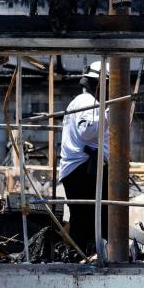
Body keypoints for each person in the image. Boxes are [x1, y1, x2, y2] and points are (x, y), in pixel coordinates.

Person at [57, 61, 109, 254]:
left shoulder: (83, 102)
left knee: (85, 218)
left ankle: (83, 256)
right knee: (95, 218)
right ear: (101, 84)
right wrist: (110, 114)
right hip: (84, 169)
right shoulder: (89, 102)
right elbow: (87, 131)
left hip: (80, 169)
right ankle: (87, 258)